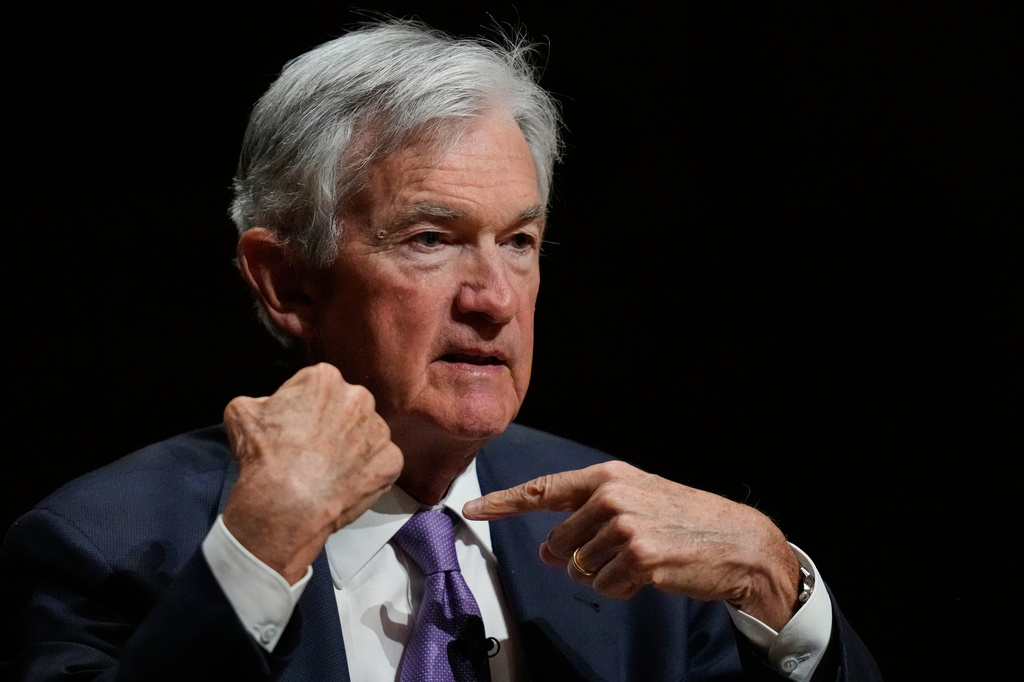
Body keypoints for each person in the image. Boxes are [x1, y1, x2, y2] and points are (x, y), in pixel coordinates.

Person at [0, 21, 880, 682]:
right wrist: (258, 551)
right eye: (431, 237)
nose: (494, 298)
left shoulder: (631, 550)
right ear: (288, 282)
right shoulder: (105, 545)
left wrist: (775, 577)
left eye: (521, 241)